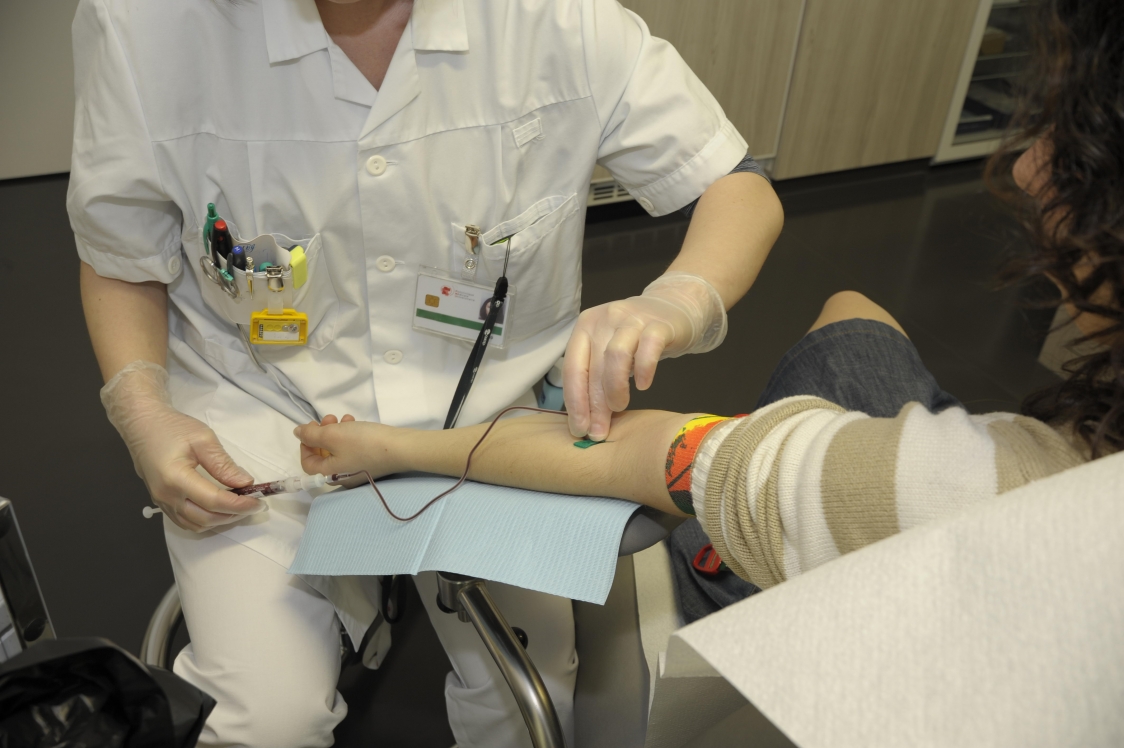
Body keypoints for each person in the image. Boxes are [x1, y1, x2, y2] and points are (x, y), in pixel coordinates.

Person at [69, 0, 782, 745]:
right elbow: (120, 250)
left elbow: (733, 182)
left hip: (490, 422)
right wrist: (142, 409)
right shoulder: (143, 24)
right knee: (264, 721)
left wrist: (676, 299)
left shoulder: (558, 18)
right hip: (261, 408)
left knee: (529, 704)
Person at [295, 0, 1123, 606]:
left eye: (1067, 142)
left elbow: (636, 452)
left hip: (487, 403)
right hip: (275, 393)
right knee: (854, 319)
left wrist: (678, 301)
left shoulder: (958, 488)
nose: (1025, 169)